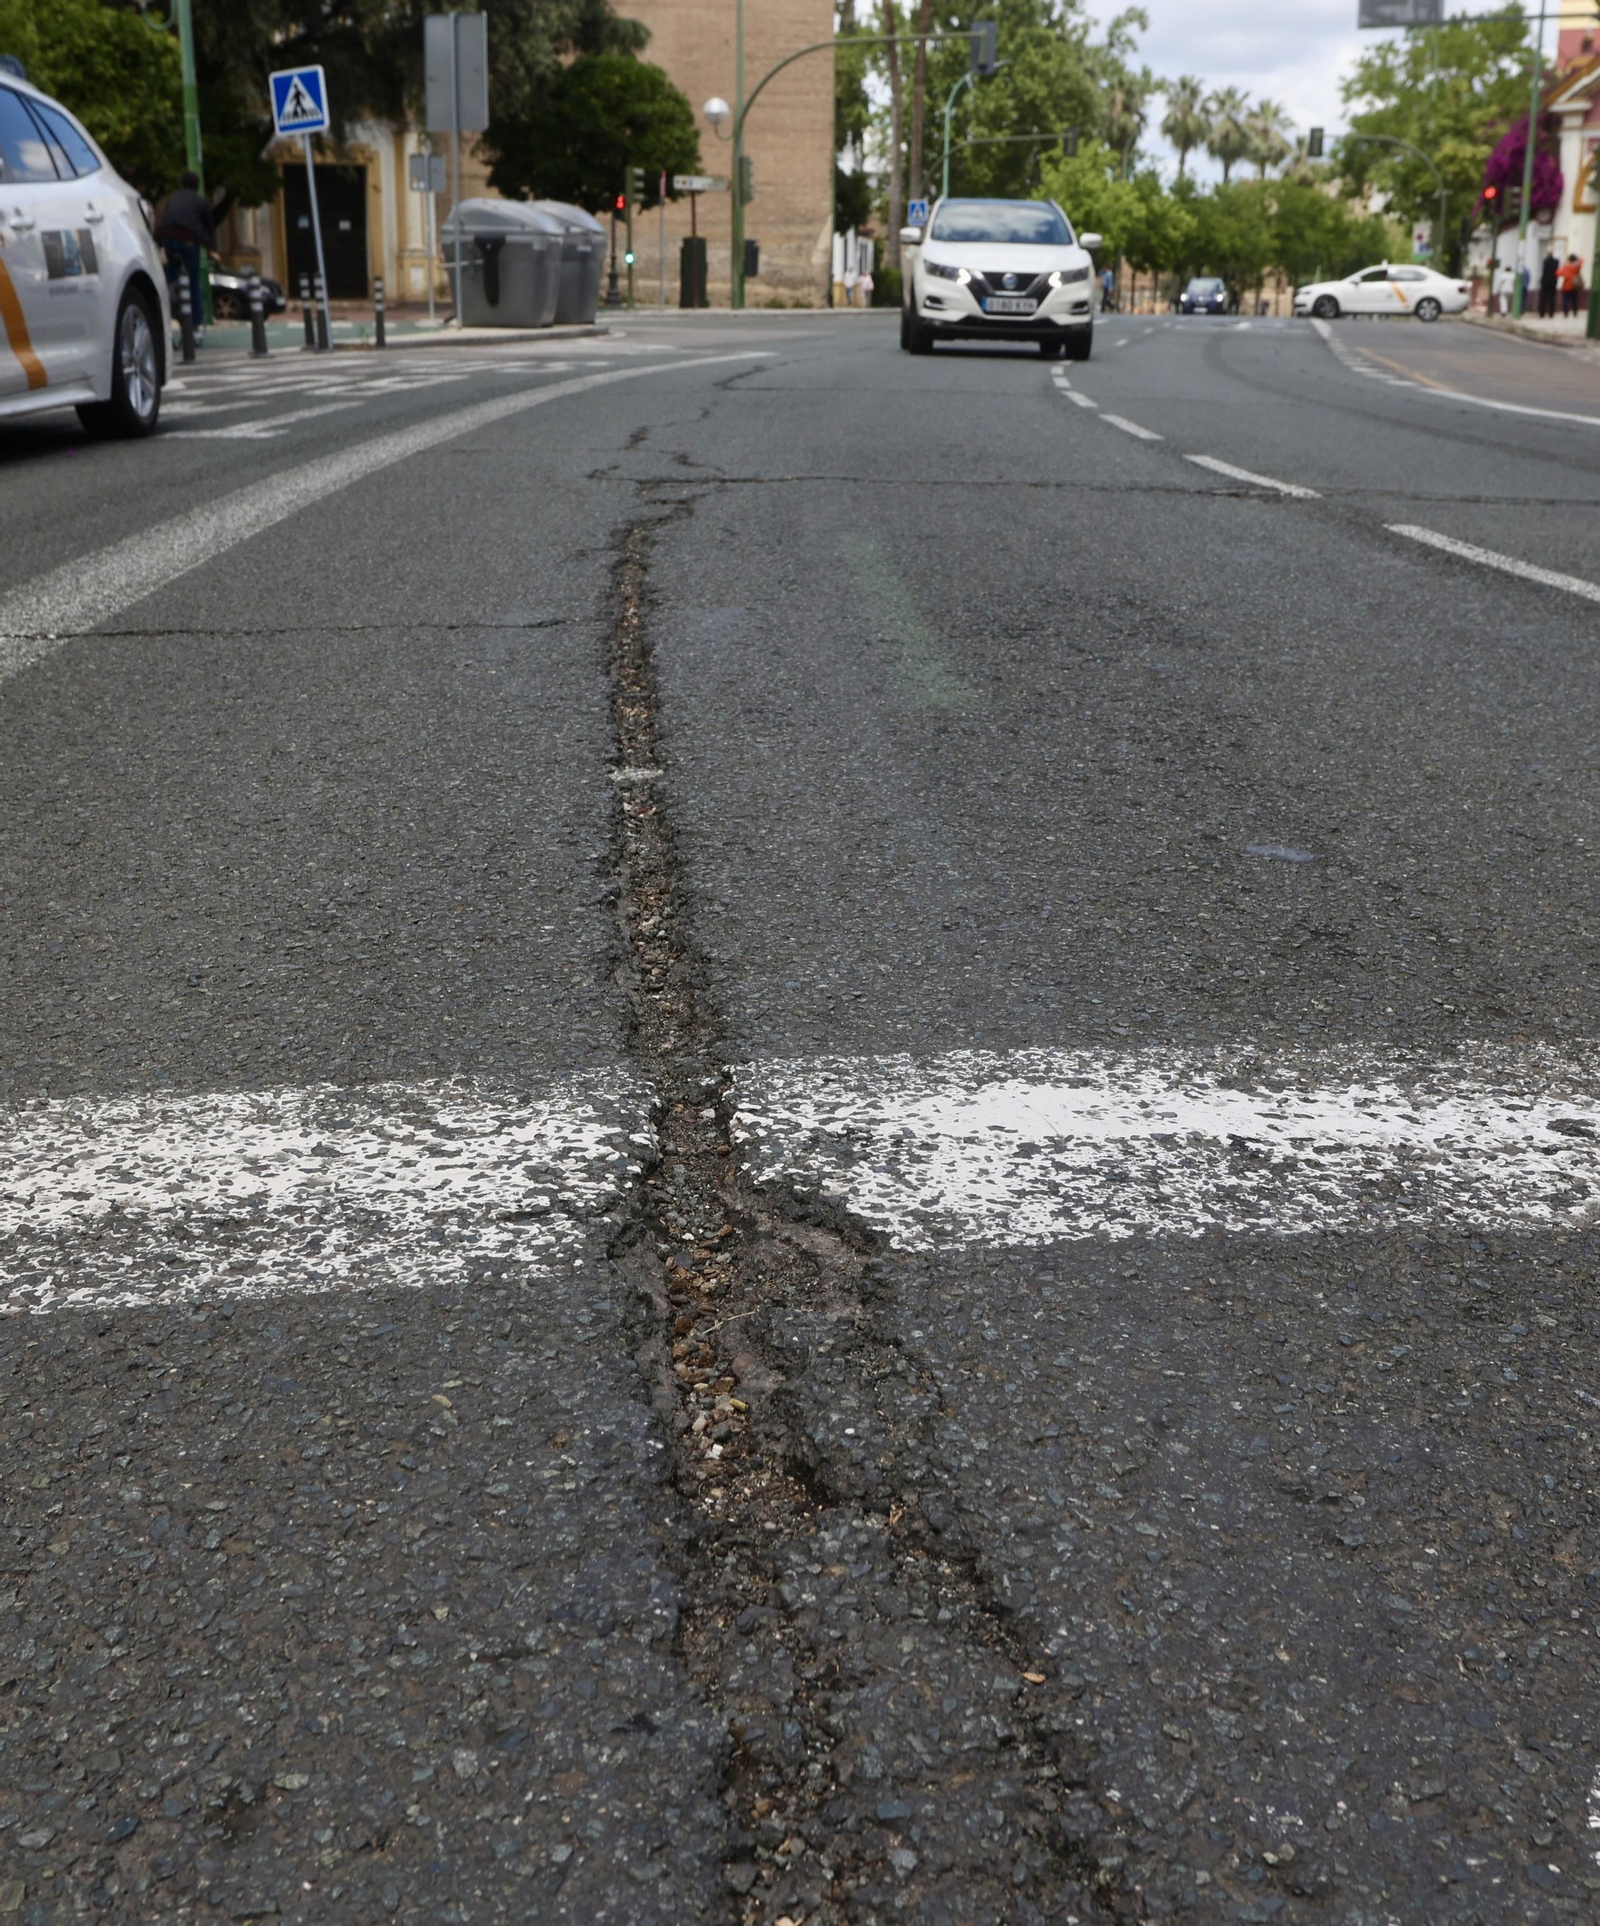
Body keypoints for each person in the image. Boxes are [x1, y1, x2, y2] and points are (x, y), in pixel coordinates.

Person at [154, 171, 213, 333]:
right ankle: (195, 324)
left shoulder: (172, 198)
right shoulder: (200, 201)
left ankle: (169, 315)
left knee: (171, 281)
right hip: (188, 240)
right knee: (193, 283)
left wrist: (160, 244)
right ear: (197, 185)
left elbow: (164, 220)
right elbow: (207, 226)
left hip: (168, 239)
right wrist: (210, 248)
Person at [1558, 251, 1583, 317]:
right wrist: (1577, 258)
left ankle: (1566, 313)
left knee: (1565, 300)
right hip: (1574, 286)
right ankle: (1575, 312)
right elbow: (1582, 261)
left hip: (1566, 286)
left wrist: (1565, 263)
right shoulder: (1576, 267)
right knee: (1574, 300)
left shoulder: (1566, 267)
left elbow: (1558, 273)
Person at [1538, 247, 1559, 319]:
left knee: (1543, 298)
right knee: (1552, 298)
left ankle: (1542, 313)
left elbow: (1544, 271)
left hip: (1545, 281)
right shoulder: (1556, 261)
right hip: (1553, 281)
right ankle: (1551, 313)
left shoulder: (1545, 261)